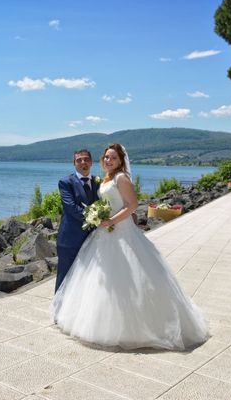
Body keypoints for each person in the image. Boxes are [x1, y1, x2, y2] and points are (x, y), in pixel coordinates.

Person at [51, 144, 209, 350]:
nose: (109, 161)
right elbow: (77, 206)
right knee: (96, 278)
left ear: (121, 161)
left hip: (118, 231)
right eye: (106, 157)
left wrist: (109, 221)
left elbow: (132, 205)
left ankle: (134, 326)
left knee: (129, 276)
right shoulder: (102, 179)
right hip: (94, 234)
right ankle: (63, 311)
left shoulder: (120, 178)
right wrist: (99, 219)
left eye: (113, 158)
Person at [55, 149, 100, 292]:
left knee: (86, 278)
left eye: (86, 159)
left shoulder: (98, 182)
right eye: (79, 160)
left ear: (91, 162)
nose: (83, 163)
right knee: (65, 277)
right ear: (74, 164)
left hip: (93, 240)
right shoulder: (65, 182)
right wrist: (97, 218)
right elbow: (71, 208)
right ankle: (58, 309)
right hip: (70, 240)